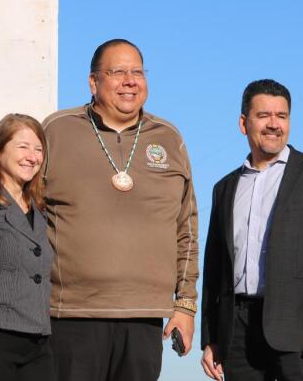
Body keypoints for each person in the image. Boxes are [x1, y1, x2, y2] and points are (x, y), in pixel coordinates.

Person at [42, 38, 199, 381]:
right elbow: (27, 214)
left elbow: (186, 228)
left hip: (144, 316)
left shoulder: (169, 138)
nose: (130, 81)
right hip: (70, 315)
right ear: (93, 82)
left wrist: (185, 305)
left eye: (138, 72)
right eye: (118, 72)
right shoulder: (56, 130)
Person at [200, 79, 303, 381]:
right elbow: (214, 268)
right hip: (237, 332)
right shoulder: (225, 188)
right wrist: (211, 337)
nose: (274, 125)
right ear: (244, 123)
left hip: (300, 331)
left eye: (281, 116)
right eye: (264, 116)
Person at [0, 113, 55, 381]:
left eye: (38, 150)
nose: (32, 156)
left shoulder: (41, 210)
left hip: (39, 339)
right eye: (23, 146)